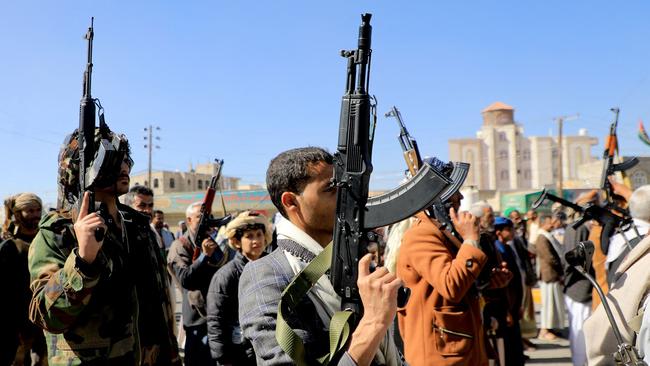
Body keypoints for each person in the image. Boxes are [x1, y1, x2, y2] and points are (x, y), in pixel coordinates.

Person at [28, 128, 180, 365]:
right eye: (112, 158)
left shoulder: (138, 228)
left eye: (126, 159)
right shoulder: (58, 232)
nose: (125, 167)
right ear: (81, 169)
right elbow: (47, 317)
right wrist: (83, 262)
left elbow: (158, 301)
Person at [239, 147, 402, 365]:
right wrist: (373, 323)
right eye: (331, 189)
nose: (345, 197)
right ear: (291, 202)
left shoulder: (346, 262)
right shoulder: (264, 274)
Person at [397, 159, 511, 366]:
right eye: (454, 192)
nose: (460, 197)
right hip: (440, 354)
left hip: (461, 347)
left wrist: (488, 282)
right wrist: (471, 241)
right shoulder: (421, 234)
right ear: (437, 198)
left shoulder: (444, 232)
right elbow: (451, 285)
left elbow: (461, 287)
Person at [167, 202, 236, 365]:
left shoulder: (211, 241)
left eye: (207, 216)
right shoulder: (180, 245)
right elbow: (185, 279)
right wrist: (203, 256)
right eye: (200, 217)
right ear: (189, 220)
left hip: (219, 315)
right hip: (198, 318)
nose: (206, 220)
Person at [207, 211, 272, 365]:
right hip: (238, 353)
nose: (256, 240)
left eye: (259, 235)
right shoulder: (226, 275)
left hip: (268, 351)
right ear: (237, 242)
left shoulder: (272, 270)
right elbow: (216, 319)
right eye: (249, 236)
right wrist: (222, 357)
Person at [0, 193, 47, 365]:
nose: (36, 215)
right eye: (30, 211)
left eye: (38, 210)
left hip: (43, 321)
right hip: (16, 324)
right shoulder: (10, 247)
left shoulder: (45, 242)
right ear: (18, 214)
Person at [535, 213, 566, 341]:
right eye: (549, 222)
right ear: (542, 224)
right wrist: (560, 270)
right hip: (549, 275)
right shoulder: (541, 237)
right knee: (548, 304)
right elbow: (549, 257)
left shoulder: (547, 235)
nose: (552, 224)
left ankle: (551, 327)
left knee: (554, 303)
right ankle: (544, 330)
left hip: (553, 275)